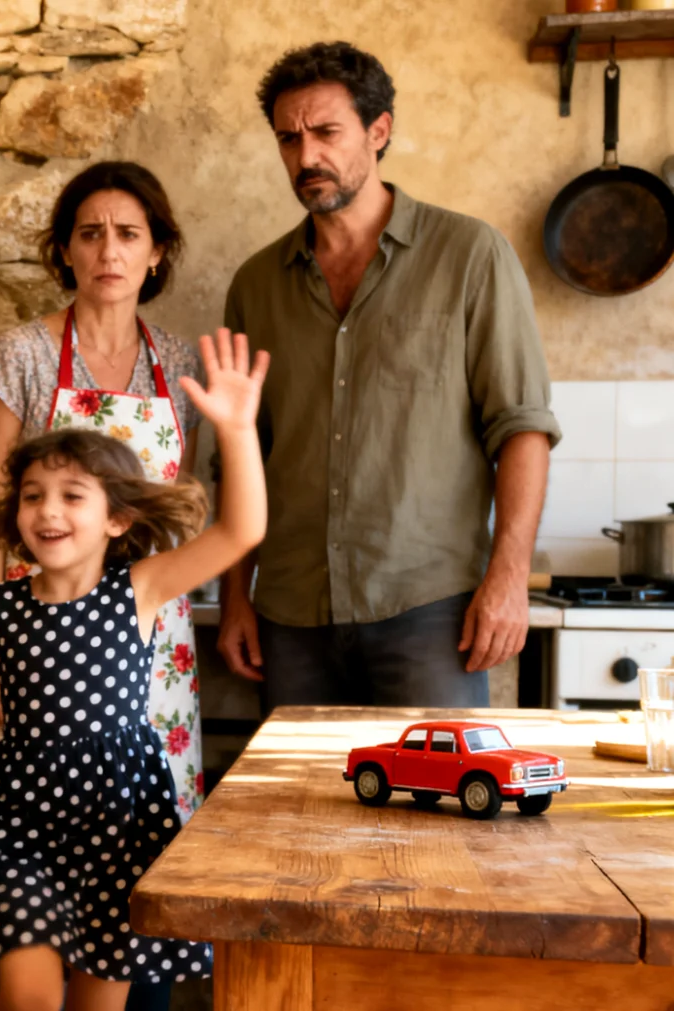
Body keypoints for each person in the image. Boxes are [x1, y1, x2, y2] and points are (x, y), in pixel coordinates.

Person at [0, 331, 269, 1011]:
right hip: (20, 820)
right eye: (31, 495)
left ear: (117, 517)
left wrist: (235, 429)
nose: (47, 510)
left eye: (71, 495)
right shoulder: (1, 607)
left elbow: (241, 532)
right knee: (27, 998)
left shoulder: (139, 588)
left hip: (120, 823)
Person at [217, 42, 560, 707]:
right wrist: (237, 596)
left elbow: (522, 429)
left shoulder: (469, 256)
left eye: (325, 132)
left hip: (429, 611)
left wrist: (509, 576)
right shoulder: (255, 285)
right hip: (291, 615)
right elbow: (243, 455)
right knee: (297, 810)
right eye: (289, 138)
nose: (305, 155)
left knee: (439, 804)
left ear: (379, 131)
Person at [0, 162, 210, 832]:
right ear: (66, 250)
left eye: (129, 234)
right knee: (31, 831)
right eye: (91, 233)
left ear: (156, 251)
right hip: (40, 630)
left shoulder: (182, 363)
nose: (109, 251)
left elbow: (187, 510)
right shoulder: (22, 354)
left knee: (143, 835)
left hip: (152, 632)